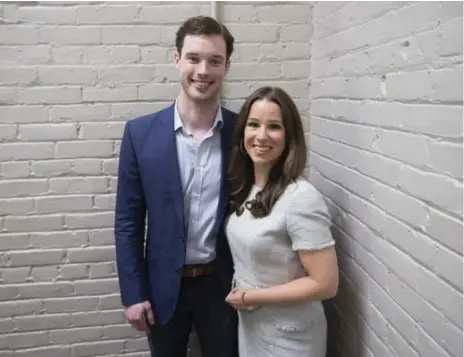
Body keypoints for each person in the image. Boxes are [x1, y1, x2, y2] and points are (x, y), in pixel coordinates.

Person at [114, 16, 238, 357]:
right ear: (177, 60)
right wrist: (133, 293)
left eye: (214, 61)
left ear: (226, 66)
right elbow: (127, 221)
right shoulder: (139, 135)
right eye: (194, 58)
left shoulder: (243, 134)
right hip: (161, 288)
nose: (203, 70)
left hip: (224, 285)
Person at [224, 86, 339, 357]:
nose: (261, 136)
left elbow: (326, 284)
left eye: (274, 126)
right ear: (242, 132)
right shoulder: (248, 188)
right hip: (253, 328)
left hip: (291, 338)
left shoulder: (301, 199)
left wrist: (250, 297)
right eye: (253, 124)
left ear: (289, 137)